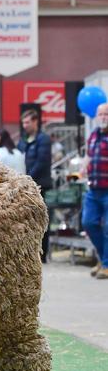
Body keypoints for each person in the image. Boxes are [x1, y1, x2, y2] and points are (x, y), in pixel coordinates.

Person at [18, 109, 53, 262]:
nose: (24, 126)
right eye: (23, 123)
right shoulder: (23, 140)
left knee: (41, 218)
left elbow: (42, 162)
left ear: (35, 122)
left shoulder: (43, 139)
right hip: (26, 185)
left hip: (40, 185)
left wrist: (28, 179)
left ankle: (43, 253)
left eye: (27, 122)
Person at [82, 102, 108, 279]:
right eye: (101, 115)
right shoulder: (93, 136)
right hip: (93, 189)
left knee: (107, 227)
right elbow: (88, 156)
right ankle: (104, 258)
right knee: (88, 223)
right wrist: (83, 169)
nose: (103, 118)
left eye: (106, 114)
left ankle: (106, 264)